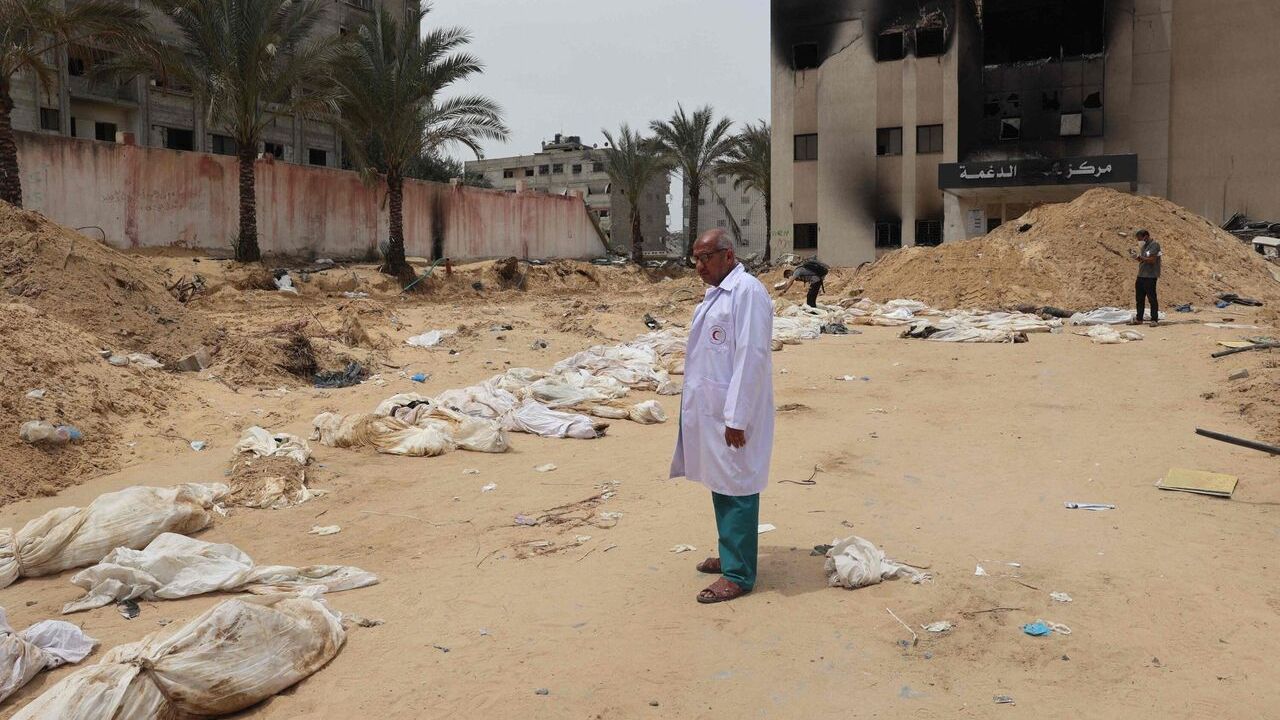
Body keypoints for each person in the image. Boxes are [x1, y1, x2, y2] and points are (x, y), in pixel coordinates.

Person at [670, 229, 775, 604]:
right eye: (695, 259)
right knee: (721, 480)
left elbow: (751, 356)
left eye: (706, 258)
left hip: (734, 413)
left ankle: (739, 574)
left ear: (728, 256)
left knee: (738, 485)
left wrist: (737, 417)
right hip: (715, 409)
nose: (699, 266)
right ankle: (732, 552)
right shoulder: (718, 293)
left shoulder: (747, 292)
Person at [1130, 229, 1162, 327]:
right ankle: (1139, 319)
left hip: (1150, 276)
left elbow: (1152, 260)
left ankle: (1154, 319)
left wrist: (1140, 257)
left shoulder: (1154, 245)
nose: (1139, 241)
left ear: (1146, 237)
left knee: (1152, 298)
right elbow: (1143, 260)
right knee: (1139, 299)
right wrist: (1136, 257)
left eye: (1140, 239)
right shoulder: (1144, 246)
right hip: (1141, 275)